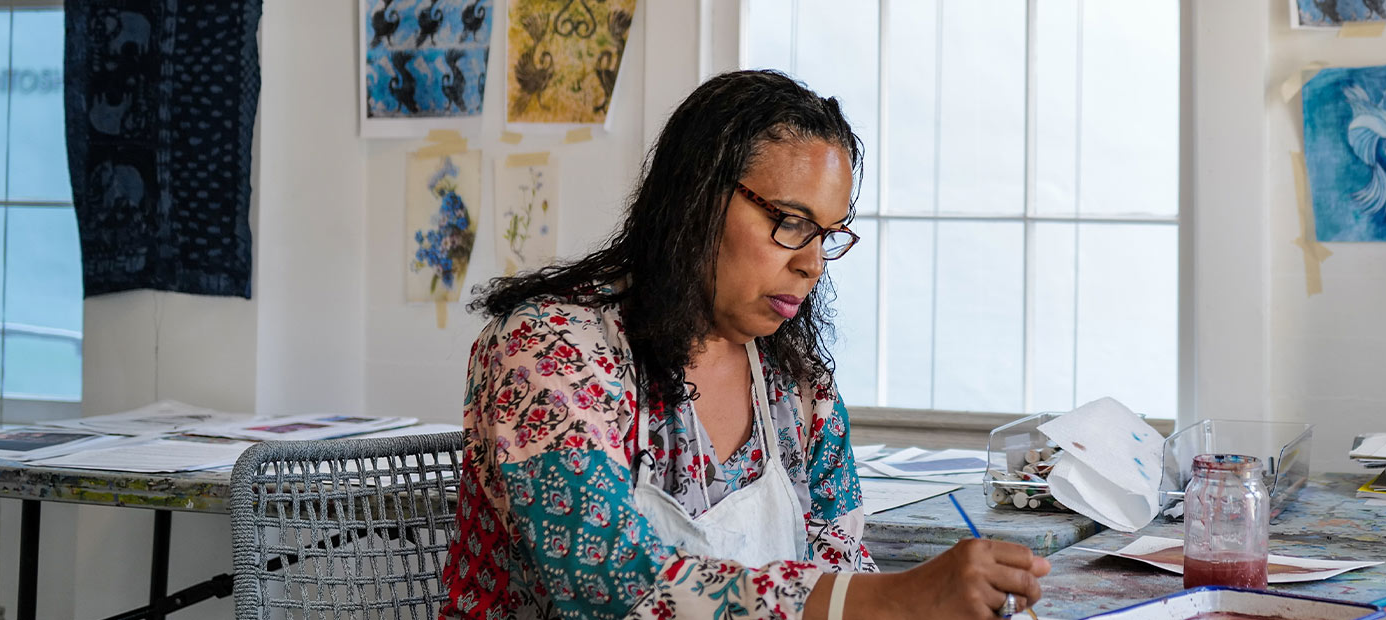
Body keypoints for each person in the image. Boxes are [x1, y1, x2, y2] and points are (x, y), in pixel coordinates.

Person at [441, 70, 1049, 620]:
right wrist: (899, 597)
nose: (812, 264)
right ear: (697, 200)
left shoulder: (799, 386)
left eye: (828, 236)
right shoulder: (551, 350)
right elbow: (608, 585)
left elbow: (838, 560)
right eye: (791, 223)